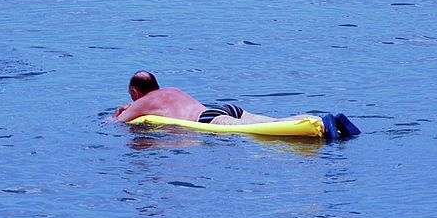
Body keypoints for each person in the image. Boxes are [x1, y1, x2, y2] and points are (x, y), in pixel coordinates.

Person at [112, 70, 360, 140]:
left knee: (268, 131)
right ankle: (326, 119)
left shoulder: (142, 102)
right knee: (273, 122)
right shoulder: (171, 90)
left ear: (135, 91)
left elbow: (116, 123)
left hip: (208, 120)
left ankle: (320, 127)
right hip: (224, 108)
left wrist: (121, 111)